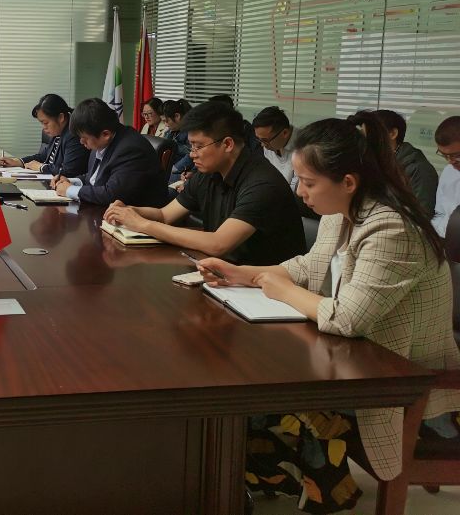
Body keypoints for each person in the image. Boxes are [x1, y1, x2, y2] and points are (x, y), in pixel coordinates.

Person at [195, 115, 460, 514]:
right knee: (243, 390)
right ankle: (240, 487)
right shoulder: (343, 211)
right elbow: (309, 266)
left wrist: (281, 289)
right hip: (361, 361)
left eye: (308, 182)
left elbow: (347, 318)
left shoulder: (392, 229)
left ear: (348, 182)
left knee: (266, 407)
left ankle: (317, 491)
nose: (299, 191)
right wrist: (245, 274)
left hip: (405, 387)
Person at [103, 100, 305, 265]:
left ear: (227, 144)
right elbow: (165, 215)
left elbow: (218, 244)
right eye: (191, 146)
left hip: (265, 289)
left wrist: (143, 224)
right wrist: (130, 211)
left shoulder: (262, 184)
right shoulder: (209, 172)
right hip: (225, 273)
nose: (192, 154)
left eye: (198, 146)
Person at [52, 97, 165, 207]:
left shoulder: (131, 149)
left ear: (105, 134)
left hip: (138, 216)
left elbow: (112, 195)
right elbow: (96, 177)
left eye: (84, 138)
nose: (81, 142)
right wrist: (72, 181)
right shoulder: (102, 141)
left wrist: (70, 190)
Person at [348, 109, 438, 218]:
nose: (365, 139)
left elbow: (421, 215)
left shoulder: (418, 169)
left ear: (393, 133)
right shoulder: (375, 162)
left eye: (370, 133)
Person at [0, 94, 88, 178]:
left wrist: (41, 167)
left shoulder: (74, 135)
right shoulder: (58, 132)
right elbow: (43, 156)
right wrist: (18, 162)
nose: (44, 128)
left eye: (46, 123)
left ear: (61, 117)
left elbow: (69, 172)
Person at [252, 106, 298, 190]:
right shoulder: (269, 143)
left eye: (265, 140)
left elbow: (295, 190)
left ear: (285, 133)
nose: (262, 145)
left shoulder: (303, 148)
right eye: (259, 139)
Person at [434, 116, 460, 236]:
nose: (450, 161)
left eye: (457, 155)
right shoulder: (449, 171)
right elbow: (441, 214)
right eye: (444, 155)